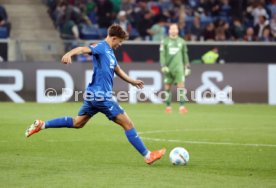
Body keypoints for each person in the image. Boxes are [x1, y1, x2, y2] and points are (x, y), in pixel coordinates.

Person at [25, 24, 165, 165]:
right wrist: (69, 54)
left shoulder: (110, 53)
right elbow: (82, 49)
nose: (120, 44)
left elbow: (118, 70)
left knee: (77, 123)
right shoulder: (101, 47)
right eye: (120, 41)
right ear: (114, 38)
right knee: (128, 124)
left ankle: (42, 125)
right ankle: (148, 155)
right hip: (101, 96)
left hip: (92, 96)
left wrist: (132, 81)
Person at [159, 23, 190, 114]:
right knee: (167, 87)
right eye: (171, 29)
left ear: (177, 30)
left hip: (179, 68)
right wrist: (163, 65)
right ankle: (168, 106)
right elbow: (162, 55)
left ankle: (182, 106)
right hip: (168, 68)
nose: (173, 30)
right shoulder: (164, 42)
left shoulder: (182, 41)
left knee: (181, 86)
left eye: (175, 29)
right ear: (169, 31)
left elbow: (185, 55)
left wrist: (187, 66)